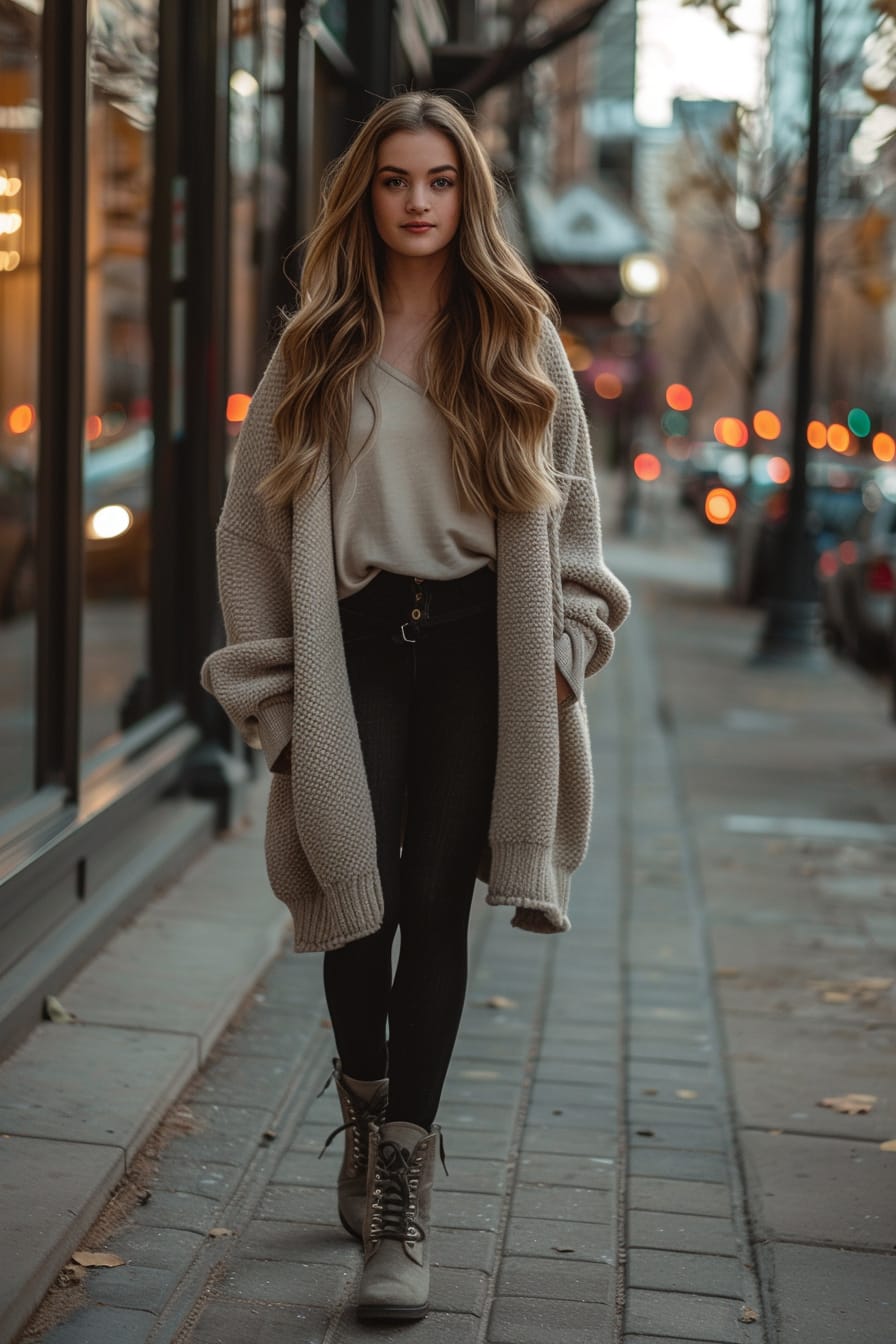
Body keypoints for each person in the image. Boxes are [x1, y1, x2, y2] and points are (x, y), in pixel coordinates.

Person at [200, 91, 630, 1324]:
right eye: (395, 180)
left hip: (476, 650)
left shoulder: (519, 337)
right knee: (353, 898)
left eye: (439, 180)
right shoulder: (315, 343)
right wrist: (273, 696)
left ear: (467, 194)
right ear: (366, 194)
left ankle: (403, 1189)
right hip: (350, 651)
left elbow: (581, 533)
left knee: (434, 900)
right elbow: (246, 533)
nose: (418, 201)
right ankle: (364, 1096)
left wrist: (558, 657)